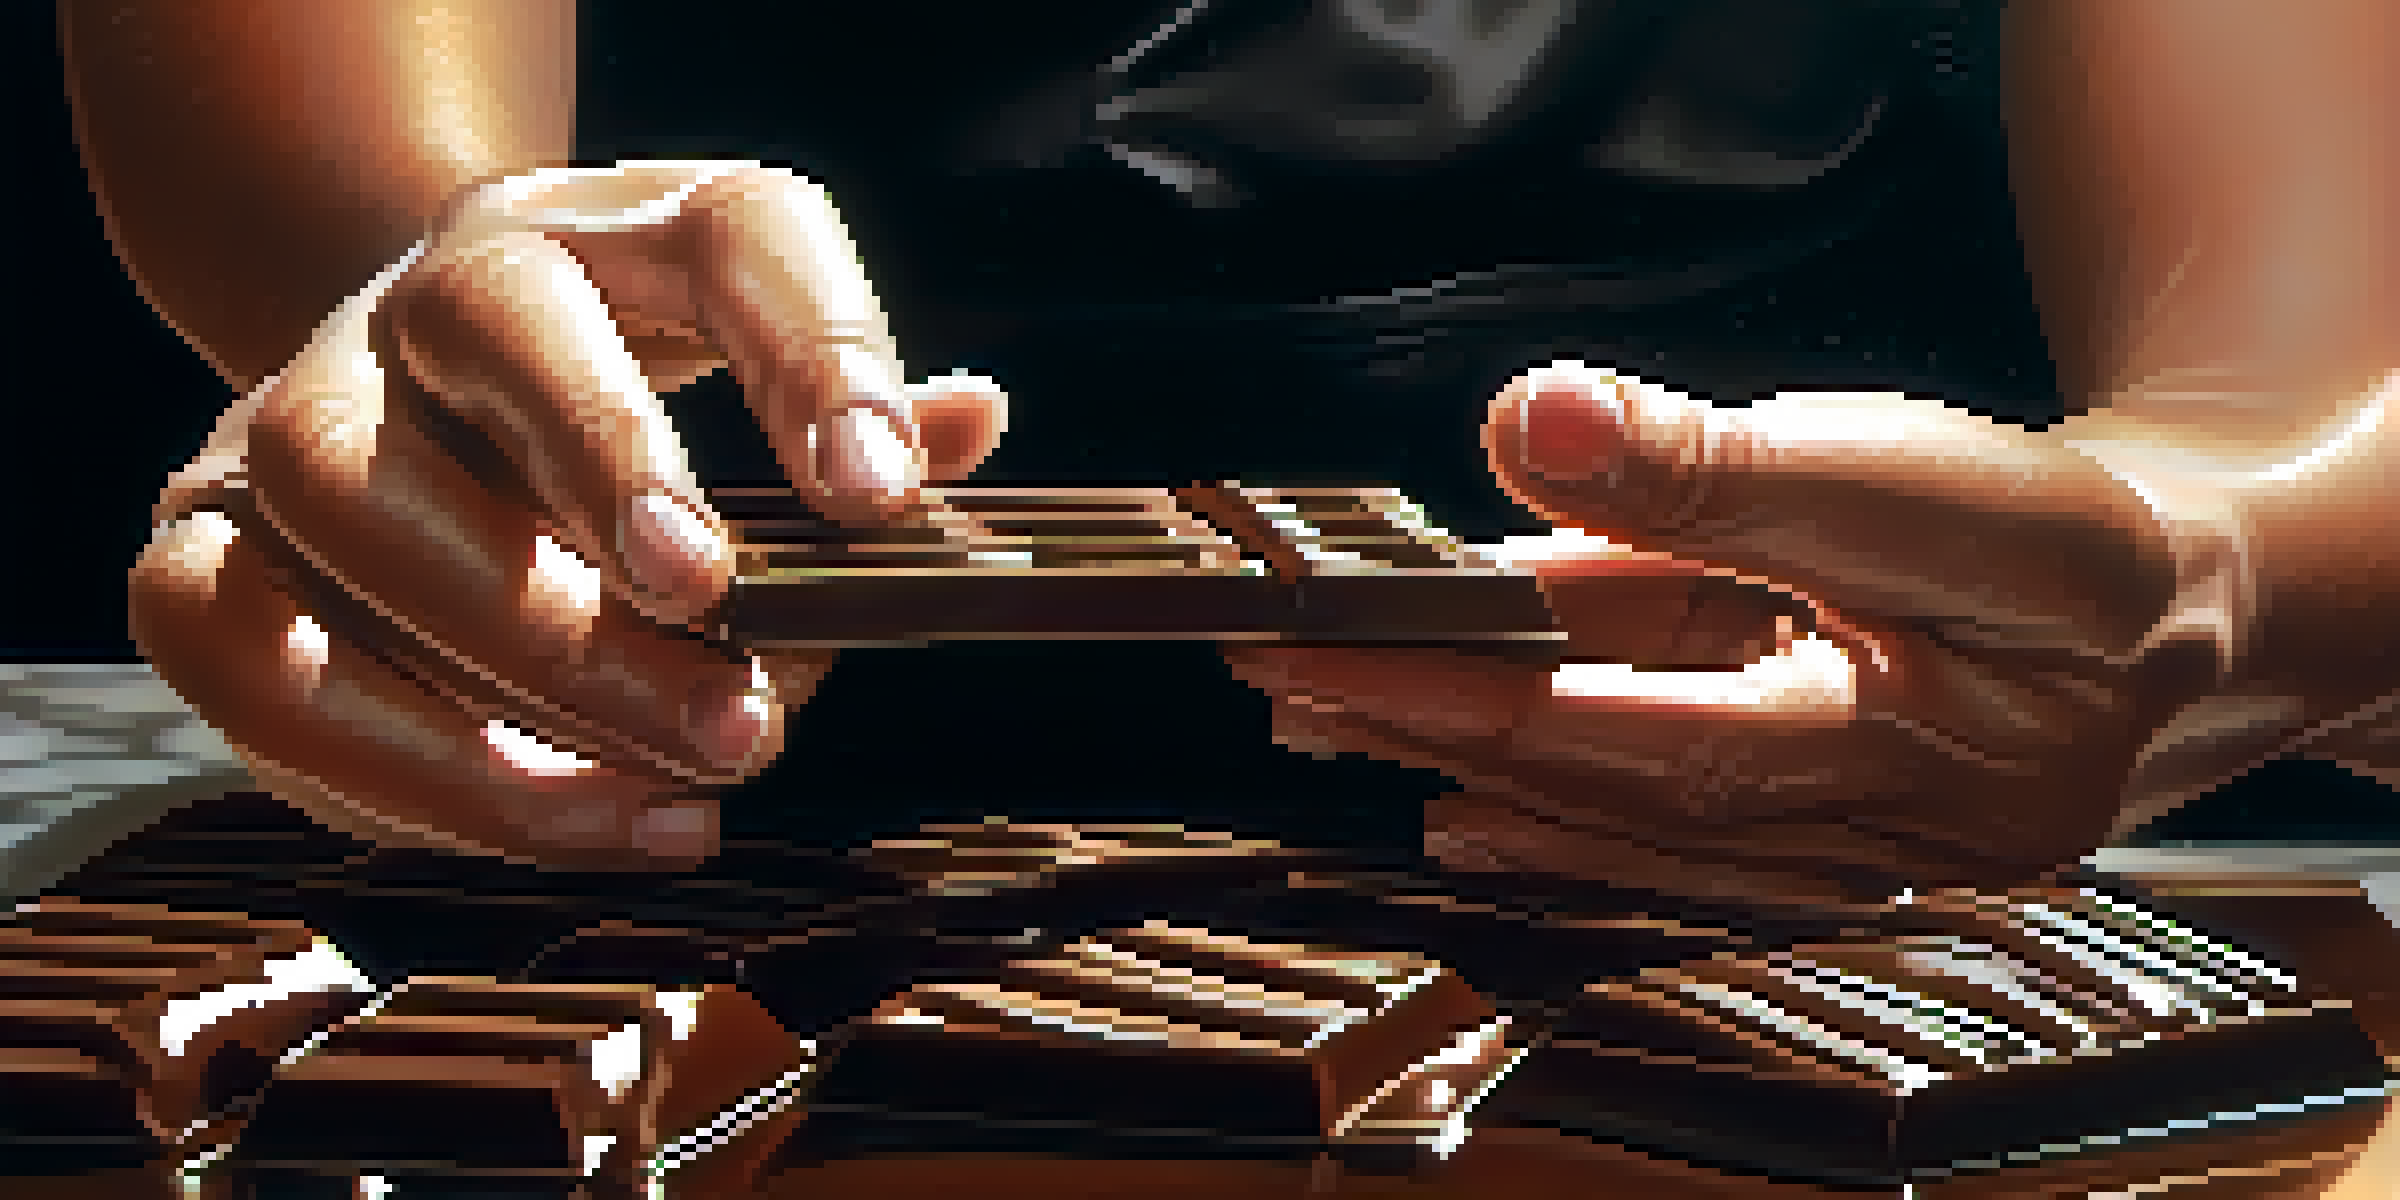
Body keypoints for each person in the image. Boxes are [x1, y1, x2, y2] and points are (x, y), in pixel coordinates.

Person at [56, 0, 2398, 1194]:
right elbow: (370, 187)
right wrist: (427, 341)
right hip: (576, 858)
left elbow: (2307, 378)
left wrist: (2205, 581)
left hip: (1863, 897)